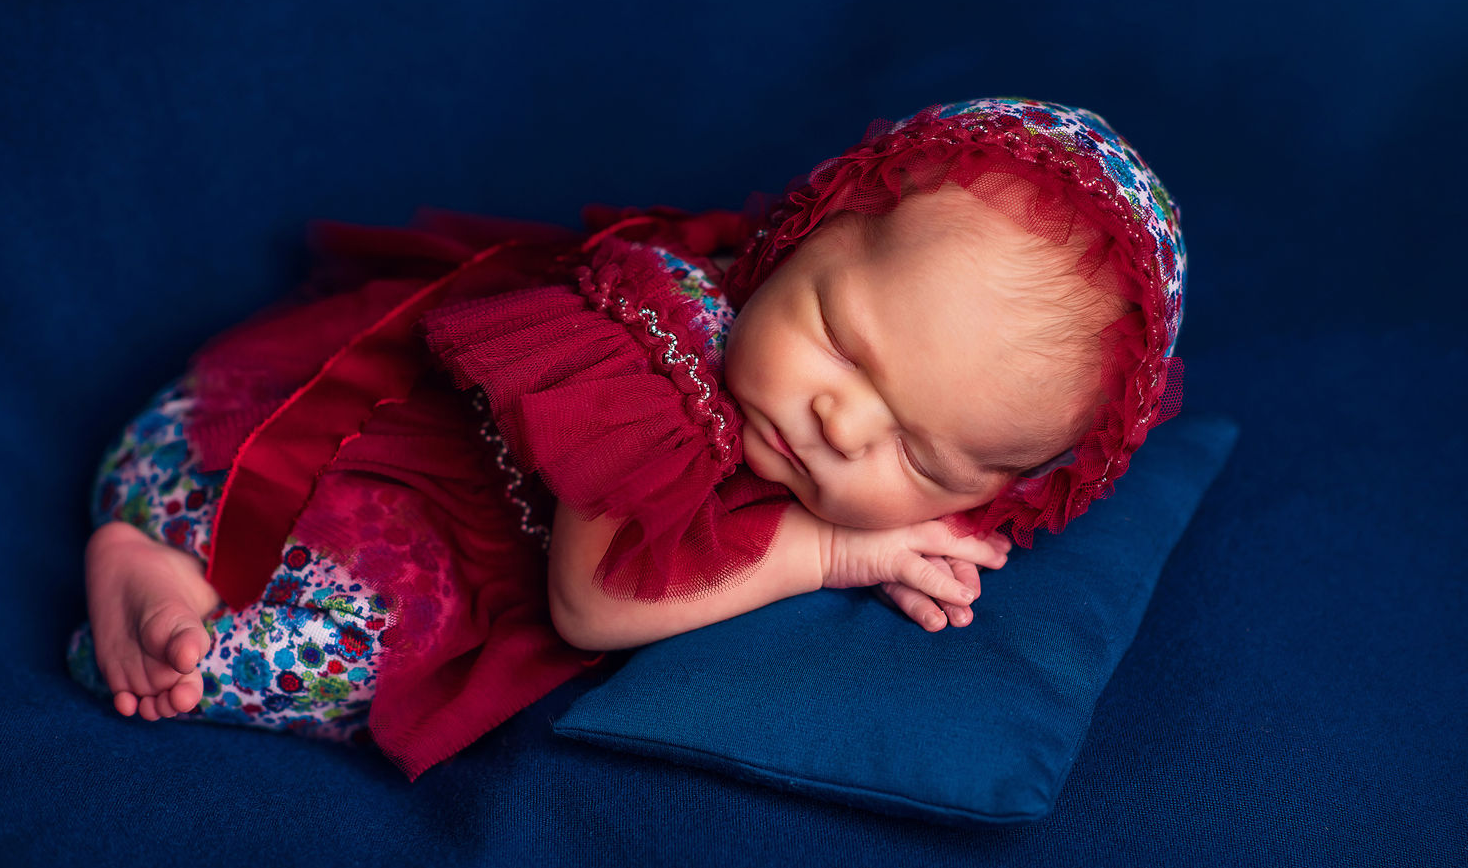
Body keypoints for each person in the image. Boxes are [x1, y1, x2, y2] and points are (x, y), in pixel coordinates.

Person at [66, 97, 1186, 781]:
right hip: (320, 495)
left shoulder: (848, 390)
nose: (840, 425)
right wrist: (832, 551)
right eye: (843, 346)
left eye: (920, 455)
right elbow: (592, 605)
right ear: (803, 237)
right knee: (344, 665)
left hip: (374, 497)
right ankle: (143, 572)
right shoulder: (658, 359)